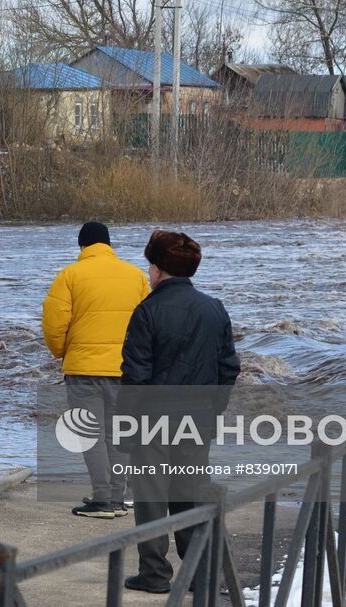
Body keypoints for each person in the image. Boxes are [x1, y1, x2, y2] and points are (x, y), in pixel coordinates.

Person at [120, 230, 240, 595]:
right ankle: (199, 573)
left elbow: (135, 376)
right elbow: (228, 368)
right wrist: (212, 411)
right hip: (197, 419)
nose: (148, 273)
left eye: (149, 266)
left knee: (151, 497)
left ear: (157, 270)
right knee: (190, 493)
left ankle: (155, 574)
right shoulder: (214, 308)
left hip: (153, 422)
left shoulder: (147, 311)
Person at [43, 221, 150, 519]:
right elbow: (148, 324)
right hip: (125, 370)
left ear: (82, 246)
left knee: (91, 433)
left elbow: (54, 325)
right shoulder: (135, 276)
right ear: (109, 245)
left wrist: (63, 351)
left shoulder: (69, 275)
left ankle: (102, 499)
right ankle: (117, 498)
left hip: (84, 369)